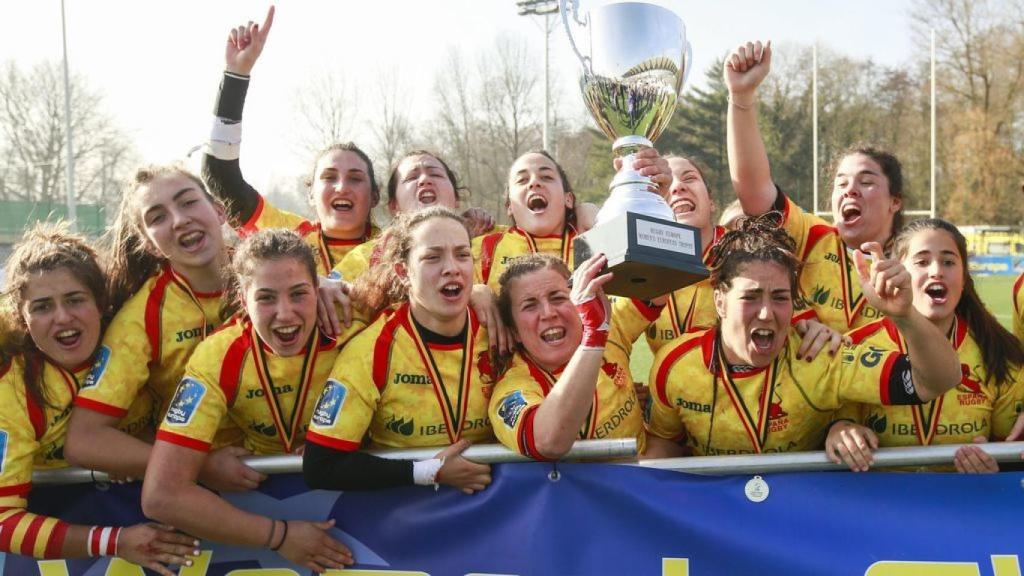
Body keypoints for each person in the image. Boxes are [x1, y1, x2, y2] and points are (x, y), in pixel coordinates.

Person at [644, 214, 962, 457]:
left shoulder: (819, 357)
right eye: (751, 297)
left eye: (780, 298)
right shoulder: (675, 366)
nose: (767, 313)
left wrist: (904, 315)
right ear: (720, 301)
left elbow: (938, 380)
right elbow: (664, 446)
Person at [142, 229, 354, 573]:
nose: (285, 314)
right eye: (266, 298)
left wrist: (478, 292)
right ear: (242, 299)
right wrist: (279, 537)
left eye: (299, 294)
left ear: (318, 290)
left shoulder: (353, 323)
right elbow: (160, 495)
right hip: (271, 525)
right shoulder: (217, 354)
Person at [0, 224, 196, 573]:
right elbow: (2, 522)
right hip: (86, 533)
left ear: (101, 302)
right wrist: (113, 541)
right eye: (43, 307)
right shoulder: (13, 389)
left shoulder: (140, 336)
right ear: (22, 317)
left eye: (75, 300)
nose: (63, 317)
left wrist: (137, 449)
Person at [65, 165, 248, 489]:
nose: (179, 220)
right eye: (157, 217)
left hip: (294, 466)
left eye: (188, 202)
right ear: (149, 244)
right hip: (212, 488)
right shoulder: (140, 318)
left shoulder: (272, 273)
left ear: (219, 211)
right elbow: (84, 440)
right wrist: (199, 465)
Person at [303, 207, 494, 494]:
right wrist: (429, 472)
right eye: (432, 257)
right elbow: (320, 466)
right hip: (404, 523)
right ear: (403, 272)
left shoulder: (498, 330)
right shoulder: (371, 350)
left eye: (462, 254)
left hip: (499, 513)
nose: (452, 267)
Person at [726, 40, 906, 331]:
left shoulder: (916, 258)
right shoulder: (810, 237)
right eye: (841, 182)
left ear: (894, 201)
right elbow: (754, 190)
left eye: (866, 181)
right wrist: (741, 97)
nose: (850, 189)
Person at [825, 219, 1024, 473]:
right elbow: (838, 422)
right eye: (921, 262)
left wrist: (995, 469)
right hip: (882, 508)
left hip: (964, 508)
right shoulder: (857, 346)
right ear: (896, 272)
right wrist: (839, 431)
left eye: (949, 262)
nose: (936, 271)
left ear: (964, 280)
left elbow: (1011, 455)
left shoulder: (1000, 354)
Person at [203, 6, 378, 276]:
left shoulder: (396, 247)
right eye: (329, 177)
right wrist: (236, 76)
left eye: (355, 178)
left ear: (375, 196)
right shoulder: (289, 237)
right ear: (310, 193)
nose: (341, 186)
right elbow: (220, 178)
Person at [489, 253, 654, 459]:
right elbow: (549, 442)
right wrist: (594, 337)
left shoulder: (610, 325)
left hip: (644, 485)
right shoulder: (512, 388)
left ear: (578, 298)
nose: (548, 313)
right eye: (530, 305)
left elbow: (661, 282)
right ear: (514, 332)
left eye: (558, 298)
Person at [473, 150, 663, 293]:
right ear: (509, 206)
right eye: (522, 180)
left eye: (546, 177)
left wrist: (656, 197)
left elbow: (639, 297)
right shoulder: (485, 247)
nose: (534, 183)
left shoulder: (596, 242)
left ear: (568, 199)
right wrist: (478, 293)